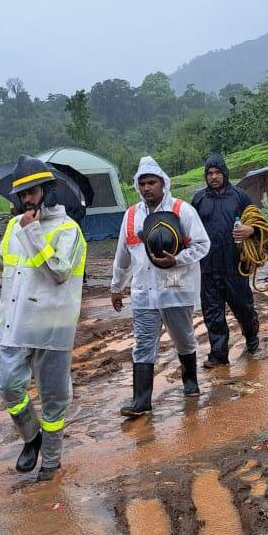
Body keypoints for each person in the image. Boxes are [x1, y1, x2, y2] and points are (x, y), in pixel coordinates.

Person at [0, 156, 86, 481]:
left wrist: (33, 234)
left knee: (54, 399)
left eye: (32, 192)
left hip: (52, 328)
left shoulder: (69, 231)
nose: (26, 200)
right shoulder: (15, 226)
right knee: (9, 388)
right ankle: (31, 437)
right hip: (15, 323)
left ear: (47, 190)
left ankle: (51, 462)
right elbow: (2, 261)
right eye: (22, 194)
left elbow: (58, 272)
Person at [110, 156, 210, 416]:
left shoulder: (181, 210)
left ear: (163, 183)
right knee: (143, 343)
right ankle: (141, 401)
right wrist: (116, 286)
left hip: (176, 289)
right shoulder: (131, 215)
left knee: (183, 339)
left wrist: (177, 259)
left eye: (151, 182)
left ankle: (190, 381)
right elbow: (123, 254)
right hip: (144, 292)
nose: (146, 188)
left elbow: (202, 244)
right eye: (142, 183)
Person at [191, 154, 259, 368]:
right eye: (210, 173)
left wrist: (251, 230)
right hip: (208, 267)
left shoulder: (240, 197)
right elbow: (189, 230)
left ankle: (251, 334)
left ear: (225, 173)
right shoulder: (199, 199)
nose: (213, 177)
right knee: (213, 313)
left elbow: (258, 223)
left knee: (244, 308)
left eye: (217, 172)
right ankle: (218, 355)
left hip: (235, 265)